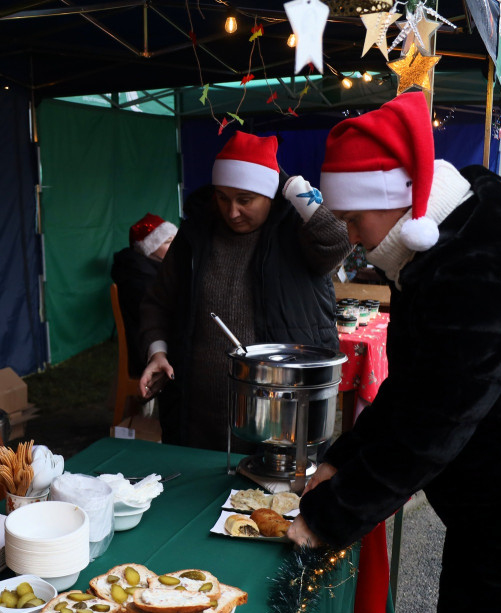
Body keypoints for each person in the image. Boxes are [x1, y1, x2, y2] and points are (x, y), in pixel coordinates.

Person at [288, 93, 501, 613]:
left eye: (353, 220)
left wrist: (332, 513)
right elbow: (416, 387)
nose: (349, 237)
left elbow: (437, 416)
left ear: (396, 201)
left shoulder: (480, 265)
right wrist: (344, 459)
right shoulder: (435, 247)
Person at [137, 131, 351, 450]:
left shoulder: (298, 233)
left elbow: (339, 242)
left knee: (269, 501)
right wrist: (157, 351)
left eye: (245, 199)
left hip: (281, 418)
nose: (232, 211)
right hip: (196, 416)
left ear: (270, 193)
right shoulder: (195, 235)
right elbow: (159, 301)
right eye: (222, 197)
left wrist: (295, 189)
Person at [110, 213, 178, 376]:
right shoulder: (139, 278)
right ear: (149, 248)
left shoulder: (154, 269)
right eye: (168, 242)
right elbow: (160, 316)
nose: (174, 247)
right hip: (147, 352)